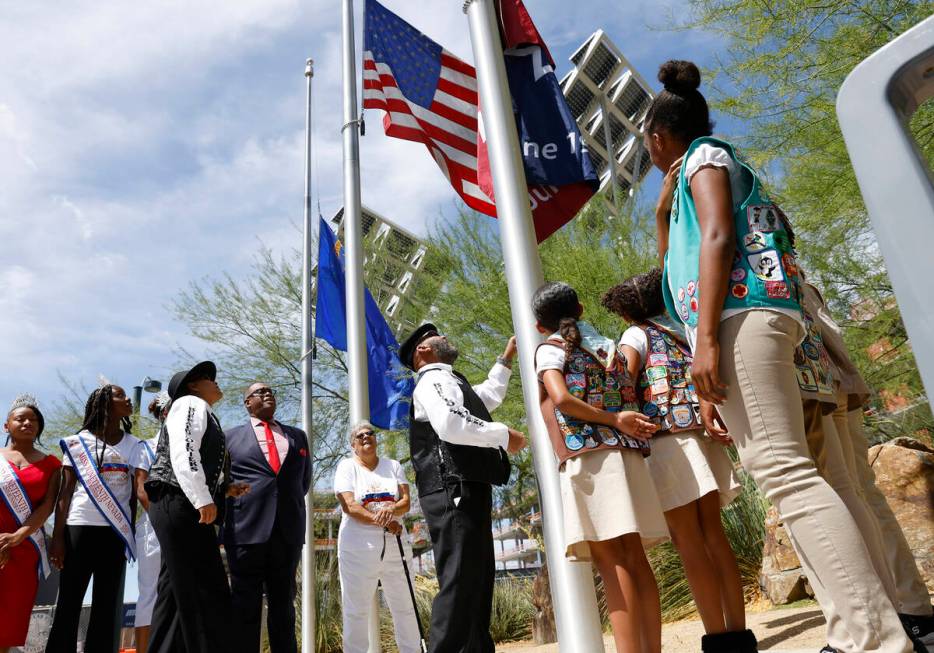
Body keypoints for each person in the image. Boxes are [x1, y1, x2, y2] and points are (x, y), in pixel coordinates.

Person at [648, 58, 914, 653]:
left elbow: (717, 236)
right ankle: (872, 626)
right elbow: (685, 256)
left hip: (742, 317)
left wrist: (710, 340)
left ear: (658, 138)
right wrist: (664, 211)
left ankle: (869, 639)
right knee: (810, 477)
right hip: (760, 320)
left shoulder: (705, 159)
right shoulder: (715, 168)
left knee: (788, 476)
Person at [602, 270, 754, 652]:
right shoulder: (682, 330)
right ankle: (738, 635)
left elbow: (625, 381)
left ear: (627, 312)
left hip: (667, 445)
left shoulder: (635, 335)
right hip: (701, 437)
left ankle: (716, 639)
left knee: (689, 542)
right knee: (714, 536)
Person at [532, 281, 667, 653]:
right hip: (627, 456)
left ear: (540, 326)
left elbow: (560, 398)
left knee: (612, 563)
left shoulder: (550, 349)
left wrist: (610, 419)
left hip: (590, 458)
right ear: (580, 308)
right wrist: (621, 421)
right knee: (636, 558)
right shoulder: (608, 347)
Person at [807, 283, 934, 648]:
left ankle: (873, 622)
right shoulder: (798, 275)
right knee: (862, 493)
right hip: (839, 383)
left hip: (818, 389)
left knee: (839, 495)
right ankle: (910, 609)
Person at [398, 324, 526, 653]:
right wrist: (503, 435)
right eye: (436, 336)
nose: (444, 337)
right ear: (422, 352)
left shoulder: (451, 380)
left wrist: (507, 357)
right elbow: (452, 423)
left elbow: (487, 397)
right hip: (450, 485)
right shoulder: (433, 379)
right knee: (459, 577)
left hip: (465, 484)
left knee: (475, 577)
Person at [145, 361, 249, 653]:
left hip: (180, 501)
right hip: (178, 501)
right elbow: (185, 449)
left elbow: (199, 460)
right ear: (192, 385)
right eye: (207, 378)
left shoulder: (204, 411)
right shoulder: (189, 402)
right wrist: (201, 497)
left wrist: (223, 489)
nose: (215, 382)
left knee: (173, 591)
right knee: (206, 587)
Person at [47, 384, 141, 653]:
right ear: (104, 403)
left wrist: (129, 533)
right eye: (120, 396)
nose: (126, 400)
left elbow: (133, 496)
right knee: (69, 600)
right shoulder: (77, 442)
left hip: (115, 532)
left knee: (106, 605)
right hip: (79, 527)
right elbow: (64, 494)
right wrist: (58, 538)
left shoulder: (134, 445)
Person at [222, 382, 311, 653]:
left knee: (283, 606)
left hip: (287, 532)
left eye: (270, 391)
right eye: (260, 392)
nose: (267, 394)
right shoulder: (230, 437)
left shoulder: (297, 436)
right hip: (245, 530)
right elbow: (221, 482)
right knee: (245, 605)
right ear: (247, 403)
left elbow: (303, 481)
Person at [333, 422, 421, 653]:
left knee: (405, 606)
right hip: (357, 548)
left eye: (370, 433)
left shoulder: (392, 466)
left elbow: (405, 502)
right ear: (353, 445)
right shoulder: (346, 467)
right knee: (356, 611)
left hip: (396, 544)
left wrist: (392, 511)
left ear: (375, 439)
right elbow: (350, 506)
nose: (365, 437)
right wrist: (384, 521)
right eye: (359, 436)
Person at [0, 395, 61, 653]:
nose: (27, 423)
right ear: (6, 425)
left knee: (7, 623)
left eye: (33, 420)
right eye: (20, 418)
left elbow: (47, 507)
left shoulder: (52, 465)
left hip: (24, 549)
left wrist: (16, 537)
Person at [129, 392, 169, 653]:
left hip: (189, 527)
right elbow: (141, 488)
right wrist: (163, 520)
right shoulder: (146, 447)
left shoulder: (194, 447)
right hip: (156, 526)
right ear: (162, 414)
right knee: (150, 593)